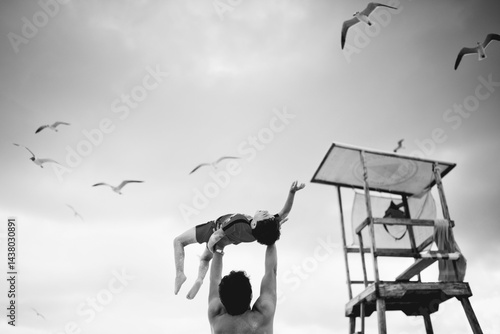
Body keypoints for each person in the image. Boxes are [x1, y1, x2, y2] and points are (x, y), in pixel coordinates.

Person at [173, 181, 305, 299]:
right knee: (205, 259)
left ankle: (180, 274)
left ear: (254, 224)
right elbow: (284, 213)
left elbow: (216, 235)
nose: (265, 210)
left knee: (178, 241)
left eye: (264, 214)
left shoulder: (239, 221)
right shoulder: (260, 232)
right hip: (226, 242)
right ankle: (199, 280)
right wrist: (292, 193)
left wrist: (210, 247)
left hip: (212, 229)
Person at [208, 234, 279, 333]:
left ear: (222, 299)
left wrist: (219, 247)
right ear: (251, 295)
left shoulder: (216, 315)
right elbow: (271, 272)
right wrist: (270, 236)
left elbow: (214, 280)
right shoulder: (263, 313)